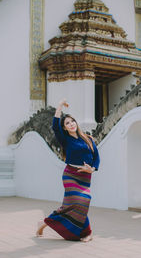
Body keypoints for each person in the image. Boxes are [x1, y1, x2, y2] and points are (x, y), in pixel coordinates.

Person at [36, 99, 100, 242]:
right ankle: (87, 232)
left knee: (76, 204)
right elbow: (54, 125)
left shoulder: (88, 139)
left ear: (76, 123)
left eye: (72, 122)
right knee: (82, 199)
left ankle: (45, 222)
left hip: (85, 176)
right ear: (64, 128)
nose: (71, 124)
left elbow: (96, 157)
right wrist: (59, 106)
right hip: (71, 174)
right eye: (67, 123)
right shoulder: (65, 139)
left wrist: (92, 169)